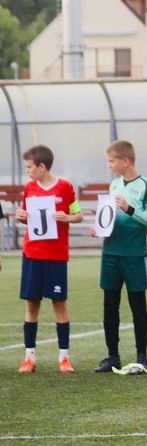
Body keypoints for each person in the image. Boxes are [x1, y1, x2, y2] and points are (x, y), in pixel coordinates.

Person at [16, 145, 83, 373]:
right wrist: (21, 216)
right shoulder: (29, 188)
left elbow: (79, 214)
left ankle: (64, 357)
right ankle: (29, 358)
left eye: (29, 167)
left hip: (55, 256)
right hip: (32, 254)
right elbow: (27, 217)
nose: (27, 171)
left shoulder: (65, 188)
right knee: (32, 303)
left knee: (59, 303)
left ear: (41, 167)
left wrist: (68, 217)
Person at [93, 140, 147, 373]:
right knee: (110, 304)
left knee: (137, 304)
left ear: (125, 161)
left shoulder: (146, 186)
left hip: (134, 253)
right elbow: (109, 218)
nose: (110, 166)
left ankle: (142, 355)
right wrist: (99, 228)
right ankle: (113, 356)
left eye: (112, 161)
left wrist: (129, 208)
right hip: (110, 252)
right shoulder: (114, 185)